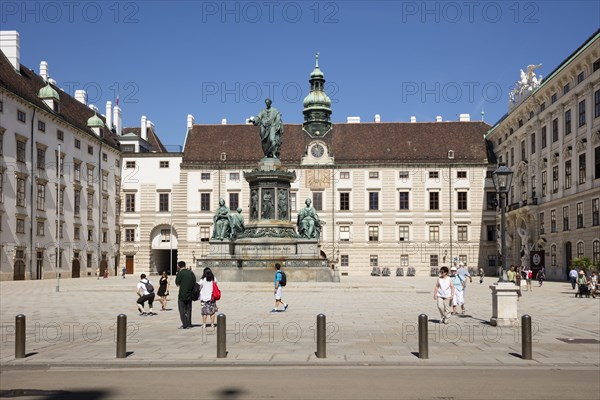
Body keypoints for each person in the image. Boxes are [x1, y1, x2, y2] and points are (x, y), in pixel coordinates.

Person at [175, 261, 196, 329]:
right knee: (189, 309)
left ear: (179, 266)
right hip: (190, 294)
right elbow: (194, 282)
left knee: (182, 310)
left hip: (182, 294)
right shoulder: (191, 273)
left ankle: (185, 324)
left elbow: (177, 283)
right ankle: (189, 323)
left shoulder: (180, 273)